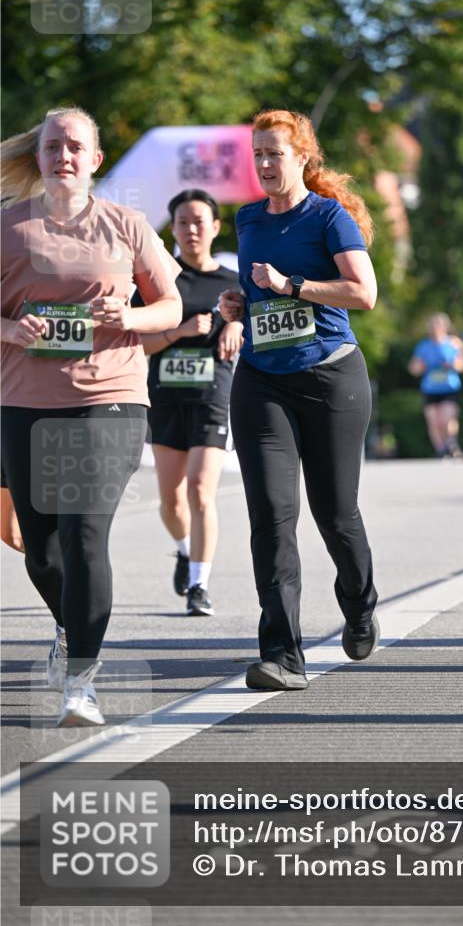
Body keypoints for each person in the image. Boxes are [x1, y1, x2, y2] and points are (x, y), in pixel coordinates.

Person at [0, 106, 182, 726]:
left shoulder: (126, 225)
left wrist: (127, 319)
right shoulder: (7, 228)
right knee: (41, 553)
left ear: (96, 159)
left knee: (83, 537)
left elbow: (170, 306)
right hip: (24, 402)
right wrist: (11, 327)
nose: (64, 155)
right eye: (54, 145)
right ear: (41, 155)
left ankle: (82, 683)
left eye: (76, 146)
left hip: (109, 398)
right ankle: (66, 625)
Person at [219, 109, 380, 692]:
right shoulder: (247, 219)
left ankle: (360, 606)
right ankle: (283, 654)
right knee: (270, 515)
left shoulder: (329, 217)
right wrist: (237, 306)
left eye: (275, 154)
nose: (264, 164)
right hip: (262, 379)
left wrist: (292, 286)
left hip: (331, 377)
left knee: (335, 513)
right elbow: (252, 292)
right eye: (257, 154)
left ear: (303, 158)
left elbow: (364, 292)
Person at [132, 189, 243, 616]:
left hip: (212, 397)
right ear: (173, 228)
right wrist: (177, 332)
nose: (191, 229)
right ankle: (183, 549)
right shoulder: (161, 284)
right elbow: (136, 345)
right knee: (171, 502)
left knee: (200, 490)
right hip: (164, 398)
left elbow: (255, 330)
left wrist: (240, 329)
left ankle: (199, 585)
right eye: (182, 222)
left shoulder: (232, 284)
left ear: (215, 228)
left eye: (200, 221)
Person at [408, 313, 463, 459]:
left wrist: (452, 364)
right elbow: (413, 368)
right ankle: (441, 449)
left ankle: (451, 443)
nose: (435, 329)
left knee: (447, 419)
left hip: (449, 388)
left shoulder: (453, 343)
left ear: (445, 327)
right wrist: (420, 366)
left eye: (438, 326)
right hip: (430, 389)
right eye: (432, 327)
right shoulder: (424, 346)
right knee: (433, 420)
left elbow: (461, 365)